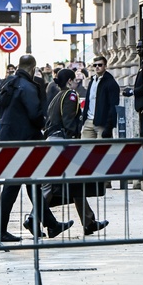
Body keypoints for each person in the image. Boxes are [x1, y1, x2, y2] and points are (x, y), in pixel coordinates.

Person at [0, 54, 73, 242]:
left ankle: (51, 224)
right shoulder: (27, 87)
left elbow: (1, 111)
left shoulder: (7, 83)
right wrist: (43, 124)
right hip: (23, 142)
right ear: (33, 68)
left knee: (32, 184)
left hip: (10, 138)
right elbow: (35, 114)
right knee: (13, 185)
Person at [43, 69, 109, 235]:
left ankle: (89, 221)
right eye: (74, 80)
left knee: (75, 183)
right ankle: (34, 217)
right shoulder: (71, 95)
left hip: (54, 140)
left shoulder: (57, 96)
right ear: (69, 81)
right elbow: (69, 123)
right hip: (62, 143)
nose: (76, 82)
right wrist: (74, 140)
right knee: (50, 185)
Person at [81, 56, 120, 139]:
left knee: (102, 147)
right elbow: (88, 101)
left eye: (100, 65)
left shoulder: (111, 83)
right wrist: (84, 120)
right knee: (84, 146)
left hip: (103, 123)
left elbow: (113, 106)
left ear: (105, 66)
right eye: (95, 65)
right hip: (88, 122)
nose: (97, 67)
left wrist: (109, 127)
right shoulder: (92, 81)